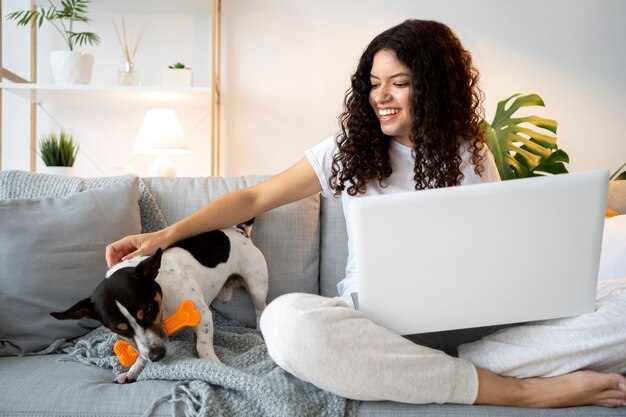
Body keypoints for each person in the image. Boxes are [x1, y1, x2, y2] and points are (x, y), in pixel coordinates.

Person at [106, 19, 626, 408]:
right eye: (374, 83)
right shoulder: (347, 152)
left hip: (475, 327)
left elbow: (497, 243)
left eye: (398, 82)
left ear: (435, 85)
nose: (381, 96)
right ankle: (515, 391)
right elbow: (253, 200)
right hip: (376, 325)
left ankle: (421, 374)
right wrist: (162, 235)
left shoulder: (473, 152)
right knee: (288, 324)